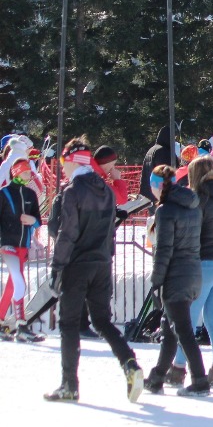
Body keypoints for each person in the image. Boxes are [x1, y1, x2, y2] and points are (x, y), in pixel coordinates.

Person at [45, 138, 145, 403]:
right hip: (102, 262)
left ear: (70, 162)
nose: (62, 169)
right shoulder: (105, 188)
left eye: (63, 163)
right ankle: (131, 365)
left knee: (68, 323)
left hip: (78, 264)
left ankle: (69, 385)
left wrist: (57, 268)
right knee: (102, 321)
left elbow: (68, 234)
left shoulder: (73, 191)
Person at [169, 155, 213, 390]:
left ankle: (179, 368)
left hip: (203, 265)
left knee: (188, 320)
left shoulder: (198, 199)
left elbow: (191, 231)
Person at [142, 165, 209, 397]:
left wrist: (156, 281)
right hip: (193, 274)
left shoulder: (165, 211)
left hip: (175, 277)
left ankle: (200, 380)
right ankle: (157, 377)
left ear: (158, 186)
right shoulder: (192, 206)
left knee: (182, 331)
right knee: (170, 329)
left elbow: (164, 251)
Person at [0, 147, 42, 340]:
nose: (29, 175)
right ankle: (21, 326)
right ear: (17, 172)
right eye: (26, 172)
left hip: (23, 245)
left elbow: (38, 220)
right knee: (19, 282)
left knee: (13, 284)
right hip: (7, 244)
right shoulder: (4, 193)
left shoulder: (31, 194)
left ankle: (2, 320)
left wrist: (32, 221)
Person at [139, 124, 176, 207]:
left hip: (149, 192)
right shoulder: (164, 151)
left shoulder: (151, 150)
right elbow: (166, 172)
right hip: (160, 193)